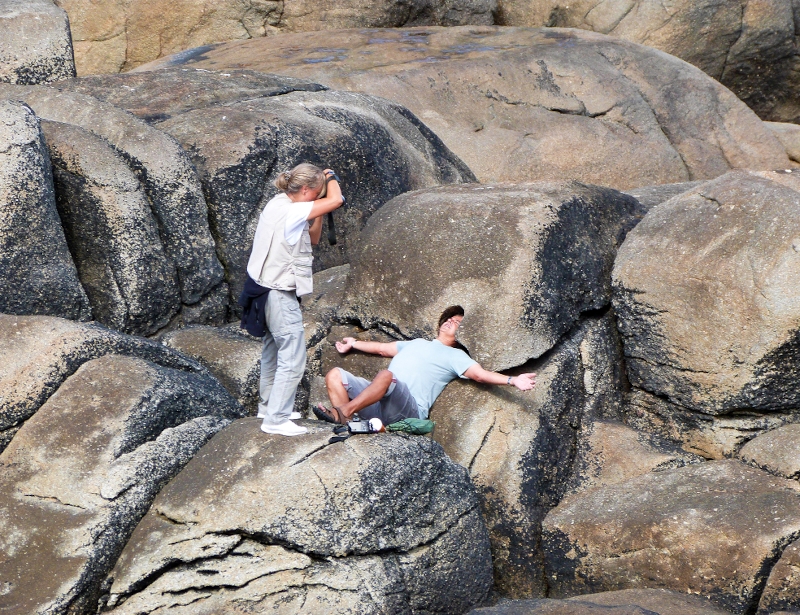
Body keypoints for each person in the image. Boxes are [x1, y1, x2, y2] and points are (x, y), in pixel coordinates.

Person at [242, 163, 343, 436]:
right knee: (293, 357)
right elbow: (337, 200)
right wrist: (331, 178)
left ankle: (268, 408)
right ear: (307, 189)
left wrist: (319, 208)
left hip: (261, 290)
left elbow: (314, 238)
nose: (319, 197)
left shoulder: (278, 203)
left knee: (273, 352)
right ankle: (276, 420)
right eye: (317, 193)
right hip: (277, 293)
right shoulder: (294, 210)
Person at [314, 306, 536, 426]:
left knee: (386, 376)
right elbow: (382, 349)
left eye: (457, 322)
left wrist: (512, 380)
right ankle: (348, 423)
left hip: (408, 409)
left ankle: (343, 413)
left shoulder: (456, 355)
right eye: (449, 318)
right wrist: (354, 343)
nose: (450, 321)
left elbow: (479, 374)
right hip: (378, 401)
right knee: (335, 375)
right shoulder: (417, 343)